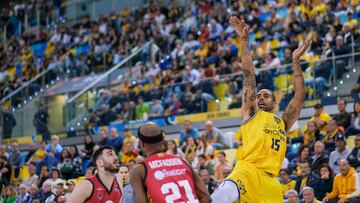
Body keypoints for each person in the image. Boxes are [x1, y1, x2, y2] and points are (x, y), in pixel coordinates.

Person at [211, 16, 309, 203]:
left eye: (266, 96)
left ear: (274, 102)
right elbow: (248, 75)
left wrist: (296, 62)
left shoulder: (282, 122)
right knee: (221, 197)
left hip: (270, 182)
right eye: (258, 96)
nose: (260, 98)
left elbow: (299, 96)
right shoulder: (251, 113)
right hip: (247, 171)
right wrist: (245, 41)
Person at [130, 122, 210, 203]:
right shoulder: (182, 160)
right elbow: (206, 196)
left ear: (142, 144)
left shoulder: (140, 169)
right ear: (162, 141)